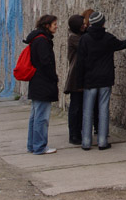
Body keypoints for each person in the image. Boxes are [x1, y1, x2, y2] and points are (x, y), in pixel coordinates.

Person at [77, 11, 126, 150]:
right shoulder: (107, 38)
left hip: (89, 80)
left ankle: (86, 142)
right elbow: (121, 44)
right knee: (103, 109)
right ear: (103, 23)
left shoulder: (84, 39)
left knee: (87, 110)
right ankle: (102, 141)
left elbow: (80, 62)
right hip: (105, 79)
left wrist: (80, 81)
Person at [25, 15, 59, 155]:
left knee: (35, 115)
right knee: (41, 117)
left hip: (37, 82)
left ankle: (32, 145)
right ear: (47, 25)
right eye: (54, 24)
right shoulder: (42, 41)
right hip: (43, 82)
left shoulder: (37, 39)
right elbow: (46, 62)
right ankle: (39, 146)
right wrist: (54, 78)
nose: (56, 26)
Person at [63, 15, 86, 145]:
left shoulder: (77, 36)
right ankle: (74, 134)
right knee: (76, 107)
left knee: (79, 106)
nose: (85, 25)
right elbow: (86, 45)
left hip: (80, 75)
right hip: (76, 77)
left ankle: (78, 132)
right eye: (82, 24)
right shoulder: (74, 38)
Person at [81, 8, 99, 134]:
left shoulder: (83, 37)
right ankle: (98, 131)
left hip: (88, 76)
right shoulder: (92, 37)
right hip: (97, 76)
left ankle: (86, 139)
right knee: (97, 106)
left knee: (88, 108)